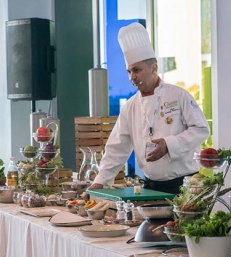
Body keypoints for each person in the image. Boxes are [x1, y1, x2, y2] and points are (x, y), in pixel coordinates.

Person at [87, 22, 210, 195]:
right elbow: (117, 148)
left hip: (186, 187)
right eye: (129, 72)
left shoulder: (178, 95)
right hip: (151, 188)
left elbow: (202, 130)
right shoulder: (130, 107)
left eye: (136, 70)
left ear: (154, 68)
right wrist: (100, 182)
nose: (132, 77)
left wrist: (169, 144)